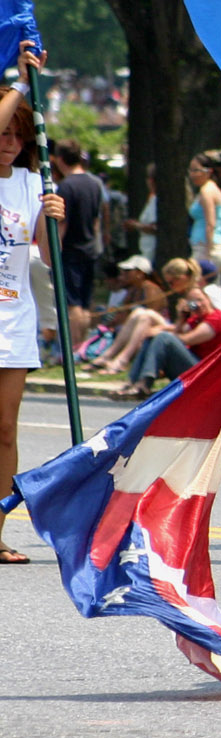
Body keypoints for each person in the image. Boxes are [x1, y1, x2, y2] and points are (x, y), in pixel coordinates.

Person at [0, 68, 65, 563]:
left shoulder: (32, 180)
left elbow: (45, 253)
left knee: (5, 429)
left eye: (19, 136)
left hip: (14, 318)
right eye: (4, 133)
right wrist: (21, 83)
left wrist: (54, 219)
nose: (11, 143)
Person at [110, 287, 221, 399]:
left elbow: (187, 339)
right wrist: (181, 318)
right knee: (152, 337)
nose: (198, 304)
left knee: (163, 338)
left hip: (207, 374)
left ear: (208, 299)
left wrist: (161, 333)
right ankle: (134, 382)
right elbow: (178, 331)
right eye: (193, 302)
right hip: (195, 368)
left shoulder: (216, 318)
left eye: (200, 300)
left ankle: (144, 383)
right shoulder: (196, 319)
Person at [51, 137, 103, 351]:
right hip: (90, 249)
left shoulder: (66, 187)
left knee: (72, 303)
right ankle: (84, 346)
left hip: (71, 250)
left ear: (60, 159)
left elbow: (61, 224)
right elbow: (96, 221)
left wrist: (54, 253)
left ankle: (74, 349)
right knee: (85, 302)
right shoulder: (95, 183)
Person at [186, 150, 221, 269]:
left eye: (196, 170)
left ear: (208, 171)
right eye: (191, 170)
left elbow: (210, 224)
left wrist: (208, 253)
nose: (192, 175)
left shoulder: (207, 192)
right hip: (209, 245)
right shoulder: (211, 189)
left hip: (206, 246)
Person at [121, 163, 158, 264]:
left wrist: (135, 225)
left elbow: (155, 227)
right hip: (146, 248)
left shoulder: (156, 200)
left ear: (151, 180)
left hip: (153, 249)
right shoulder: (152, 198)